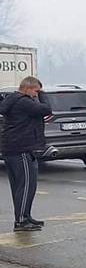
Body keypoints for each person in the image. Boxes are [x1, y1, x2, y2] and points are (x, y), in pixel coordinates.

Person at [0, 76, 52, 232]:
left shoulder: (14, 100)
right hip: (21, 149)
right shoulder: (23, 102)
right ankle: (21, 221)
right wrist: (44, 94)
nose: (37, 95)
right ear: (27, 88)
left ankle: (25, 216)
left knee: (21, 186)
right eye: (36, 91)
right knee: (26, 186)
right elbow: (46, 109)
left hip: (14, 149)